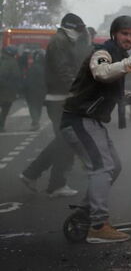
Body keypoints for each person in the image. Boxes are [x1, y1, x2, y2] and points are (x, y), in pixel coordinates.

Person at [59, 15, 131, 243]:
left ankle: (85, 212)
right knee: (101, 167)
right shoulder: (102, 53)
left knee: (114, 166)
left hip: (91, 120)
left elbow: (107, 85)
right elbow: (102, 73)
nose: (128, 38)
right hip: (79, 119)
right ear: (114, 34)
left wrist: (128, 97)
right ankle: (98, 225)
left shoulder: (119, 56)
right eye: (124, 34)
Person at [19, 13, 87, 197]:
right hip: (60, 98)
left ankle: (33, 175)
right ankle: (54, 184)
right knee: (66, 141)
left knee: (63, 141)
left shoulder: (62, 40)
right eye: (79, 29)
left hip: (60, 97)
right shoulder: (60, 42)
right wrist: (76, 89)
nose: (80, 34)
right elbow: (63, 69)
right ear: (71, 27)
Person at [22, 49, 46, 131]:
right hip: (40, 91)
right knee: (38, 106)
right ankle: (36, 121)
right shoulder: (44, 68)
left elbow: (27, 80)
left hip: (31, 90)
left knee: (33, 106)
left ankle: (35, 121)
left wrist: (24, 90)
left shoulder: (33, 67)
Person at [0, 46, 22, 131]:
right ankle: (1, 126)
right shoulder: (12, 62)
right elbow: (16, 76)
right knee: (5, 109)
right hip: (7, 90)